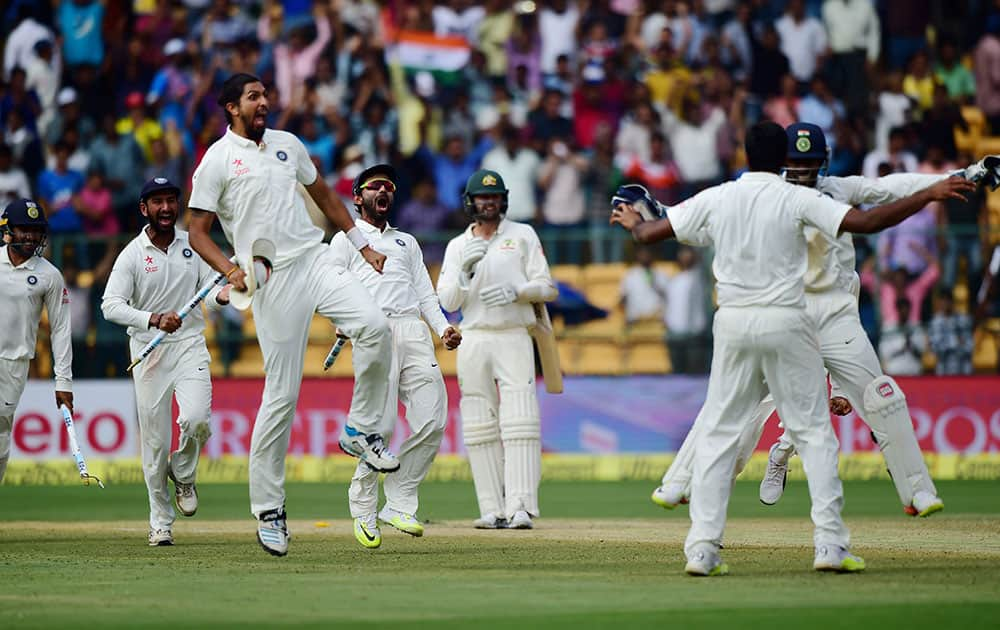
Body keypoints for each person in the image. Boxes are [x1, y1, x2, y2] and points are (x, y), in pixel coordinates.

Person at [610, 121, 975, 576]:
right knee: (813, 434)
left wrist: (636, 219)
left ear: (745, 153)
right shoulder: (798, 199)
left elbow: (659, 232)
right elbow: (870, 219)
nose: (801, 169)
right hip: (788, 318)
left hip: (745, 321)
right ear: (782, 156)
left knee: (723, 426)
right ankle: (829, 545)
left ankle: (701, 548)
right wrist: (930, 194)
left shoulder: (722, 195)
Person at [186, 73, 394, 557]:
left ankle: (359, 430)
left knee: (375, 326)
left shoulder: (287, 145)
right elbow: (197, 231)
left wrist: (361, 246)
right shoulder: (216, 161)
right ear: (231, 107)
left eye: (265, 95)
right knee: (281, 396)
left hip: (314, 258)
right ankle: (270, 510)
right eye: (254, 97)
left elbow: (323, 195)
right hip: (269, 280)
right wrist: (229, 271)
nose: (265, 102)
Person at [329, 163, 462, 549]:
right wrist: (344, 319)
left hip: (413, 330)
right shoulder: (344, 240)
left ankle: (400, 502)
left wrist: (443, 328)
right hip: (374, 332)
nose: (383, 192)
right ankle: (364, 507)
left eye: (388, 187)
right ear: (357, 197)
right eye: (374, 187)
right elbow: (328, 285)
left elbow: (424, 293)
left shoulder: (407, 242)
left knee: (433, 418)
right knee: (379, 429)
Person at [101, 177, 231, 547]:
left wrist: (231, 291)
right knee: (155, 446)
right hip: (149, 350)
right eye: (157, 202)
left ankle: (185, 472)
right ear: (144, 209)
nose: (165, 208)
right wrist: (153, 319)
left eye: (171, 201)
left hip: (189, 344)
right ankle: (160, 520)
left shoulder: (193, 245)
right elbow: (110, 305)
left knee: (197, 419)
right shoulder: (131, 255)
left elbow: (214, 289)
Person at [437, 169, 557, 530]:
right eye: (481, 197)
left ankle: (521, 506)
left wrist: (518, 290)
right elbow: (446, 299)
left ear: (502, 200)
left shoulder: (522, 235)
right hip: (473, 336)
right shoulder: (458, 246)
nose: (488, 203)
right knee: (478, 424)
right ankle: (491, 508)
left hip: (513, 334)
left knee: (520, 420)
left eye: (493, 197)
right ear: (470, 202)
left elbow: (547, 288)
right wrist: (464, 274)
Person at [0, 198, 73, 481]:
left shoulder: (49, 275)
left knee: (2, 434)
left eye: (35, 229)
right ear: (8, 229)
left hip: (14, 364)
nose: (30, 236)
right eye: (23, 229)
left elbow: (61, 329)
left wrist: (63, 381)